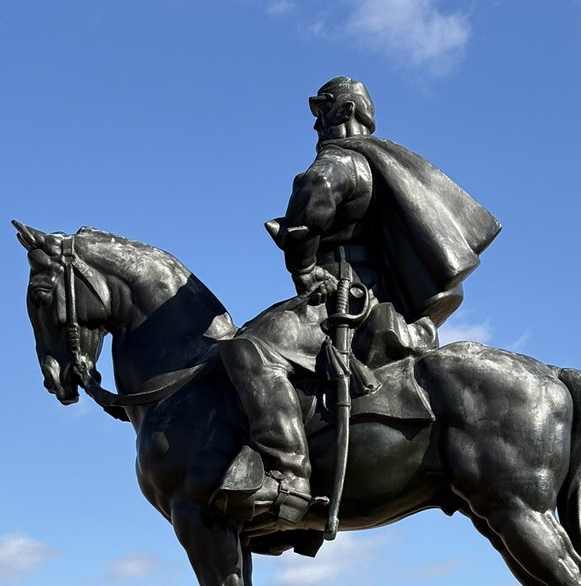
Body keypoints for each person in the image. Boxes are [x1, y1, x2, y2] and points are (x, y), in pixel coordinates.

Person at [215, 76, 501, 525]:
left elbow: (305, 222)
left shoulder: (338, 164)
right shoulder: (384, 166)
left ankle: (288, 477)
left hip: (343, 301)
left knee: (245, 349)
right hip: (375, 300)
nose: (315, 125)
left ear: (343, 111)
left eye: (320, 110)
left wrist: (306, 268)